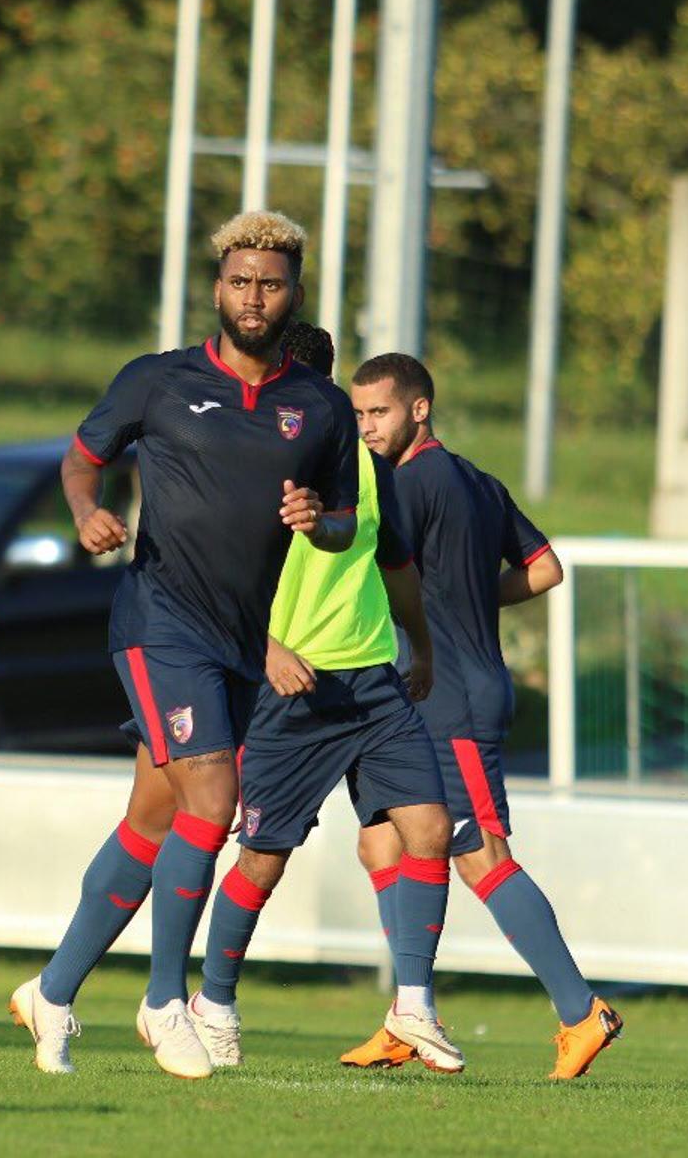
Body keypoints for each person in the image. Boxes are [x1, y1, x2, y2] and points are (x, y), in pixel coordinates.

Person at [10, 211, 361, 1078]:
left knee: (153, 817)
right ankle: (167, 999)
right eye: (241, 280)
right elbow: (83, 455)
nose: (254, 296)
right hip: (158, 622)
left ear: (295, 291)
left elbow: (346, 516)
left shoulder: (319, 404)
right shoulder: (158, 381)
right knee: (215, 794)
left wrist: (320, 522)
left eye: (271, 282)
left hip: (239, 641)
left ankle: (51, 992)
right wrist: (88, 509)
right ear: (218, 286)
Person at [185, 321, 464, 1073]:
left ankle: (413, 1005)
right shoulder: (245, 465)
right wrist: (265, 649)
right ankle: (213, 1002)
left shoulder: (366, 468)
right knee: (263, 862)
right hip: (293, 692)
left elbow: (396, 561)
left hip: (372, 682)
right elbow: (210, 576)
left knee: (430, 828)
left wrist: (422, 643)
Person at [350, 354, 622, 1079]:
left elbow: (378, 568)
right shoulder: (478, 481)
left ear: (418, 410)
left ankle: (580, 1010)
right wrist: (469, 596)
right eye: (358, 414)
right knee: (382, 843)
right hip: (427, 696)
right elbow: (544, 567)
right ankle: (409, 1014)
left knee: (480, 854)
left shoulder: (409, 481)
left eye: (377, 412)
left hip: (452, 697)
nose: (366, 427)